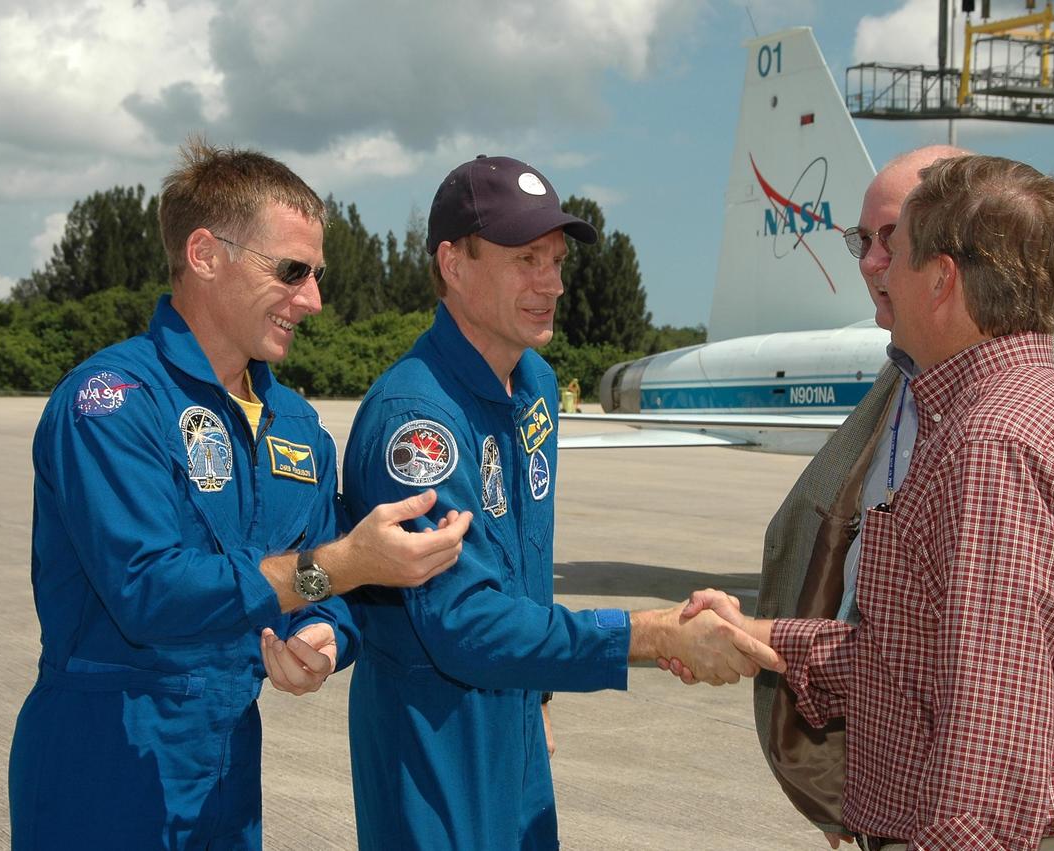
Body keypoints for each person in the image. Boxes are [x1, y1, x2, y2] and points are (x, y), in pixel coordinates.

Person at [300, 154, 782, 850]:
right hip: (439, 741)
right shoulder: (418, 422)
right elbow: (463, 623)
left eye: (556, 260)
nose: (551, 283)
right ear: (454, 263)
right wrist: (649, 634)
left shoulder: (533, 383)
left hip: (518, 718)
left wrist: (543, 690)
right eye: (526, 258)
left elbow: (521, 566)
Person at [7, 140, 473, 850]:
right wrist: (341, 567)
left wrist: (324, 635)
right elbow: (152, 590)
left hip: (226, 773)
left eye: (317, 275)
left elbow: (326, 588)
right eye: (291, 271)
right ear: (204, 253)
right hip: (103, 769)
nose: (312, 300)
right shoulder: (112, 405)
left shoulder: (296, 427)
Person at [686, 155, 1054, 849]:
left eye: (894, 249)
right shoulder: (999, 408)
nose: (877, 270)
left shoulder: (993, 443)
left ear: (941, 279)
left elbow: (990, 750)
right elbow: (918, 652)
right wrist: (762, 635)